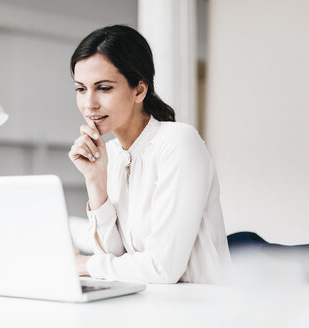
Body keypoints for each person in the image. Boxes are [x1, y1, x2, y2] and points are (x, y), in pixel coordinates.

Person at [68, 25, 230, 284]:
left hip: (202, 310)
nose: (89, 104)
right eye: (81, 89)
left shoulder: (178, 142)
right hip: (147, 306)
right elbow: (114, 259)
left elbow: (162, 268)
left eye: (104, 88)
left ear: (139, 90)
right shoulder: (109, 154)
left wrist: (84, 263)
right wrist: (96, 180)